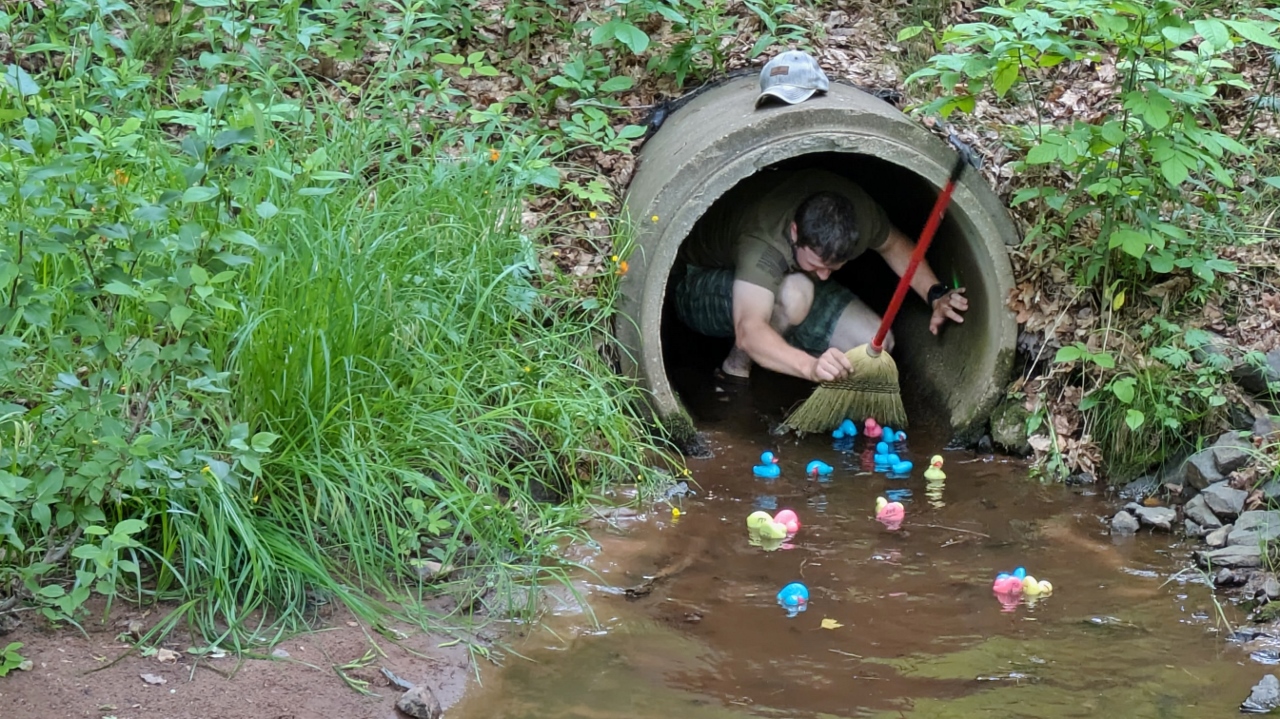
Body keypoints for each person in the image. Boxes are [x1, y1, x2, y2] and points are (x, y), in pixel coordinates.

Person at [672, 164, 969, 386]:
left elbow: (893, 244)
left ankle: (781, 346)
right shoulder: (764, 243)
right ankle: (734, 369)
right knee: (795, 292)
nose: (825, 276)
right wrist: (810, 367)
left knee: (872, 344)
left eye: (834, 267)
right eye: (817, 264)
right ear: (794, 233)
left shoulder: (859, 216)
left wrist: (936, 294)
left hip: (792, 283)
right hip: (700, 280)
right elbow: (749, 329)